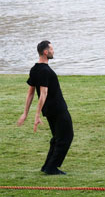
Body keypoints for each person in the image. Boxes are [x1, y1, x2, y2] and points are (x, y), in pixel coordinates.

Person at [17, 41, 73, 175]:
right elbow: (43, 93)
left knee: (57, 138)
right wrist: (35, 115)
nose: (53, 51)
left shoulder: (35, 69)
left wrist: (25, 113)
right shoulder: (44, 70)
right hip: (57, 109)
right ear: (46, 52)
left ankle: (48, 166)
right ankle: (51, 167)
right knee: (66, 137)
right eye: (52, 49)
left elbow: (30, 93)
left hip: (50, 110)